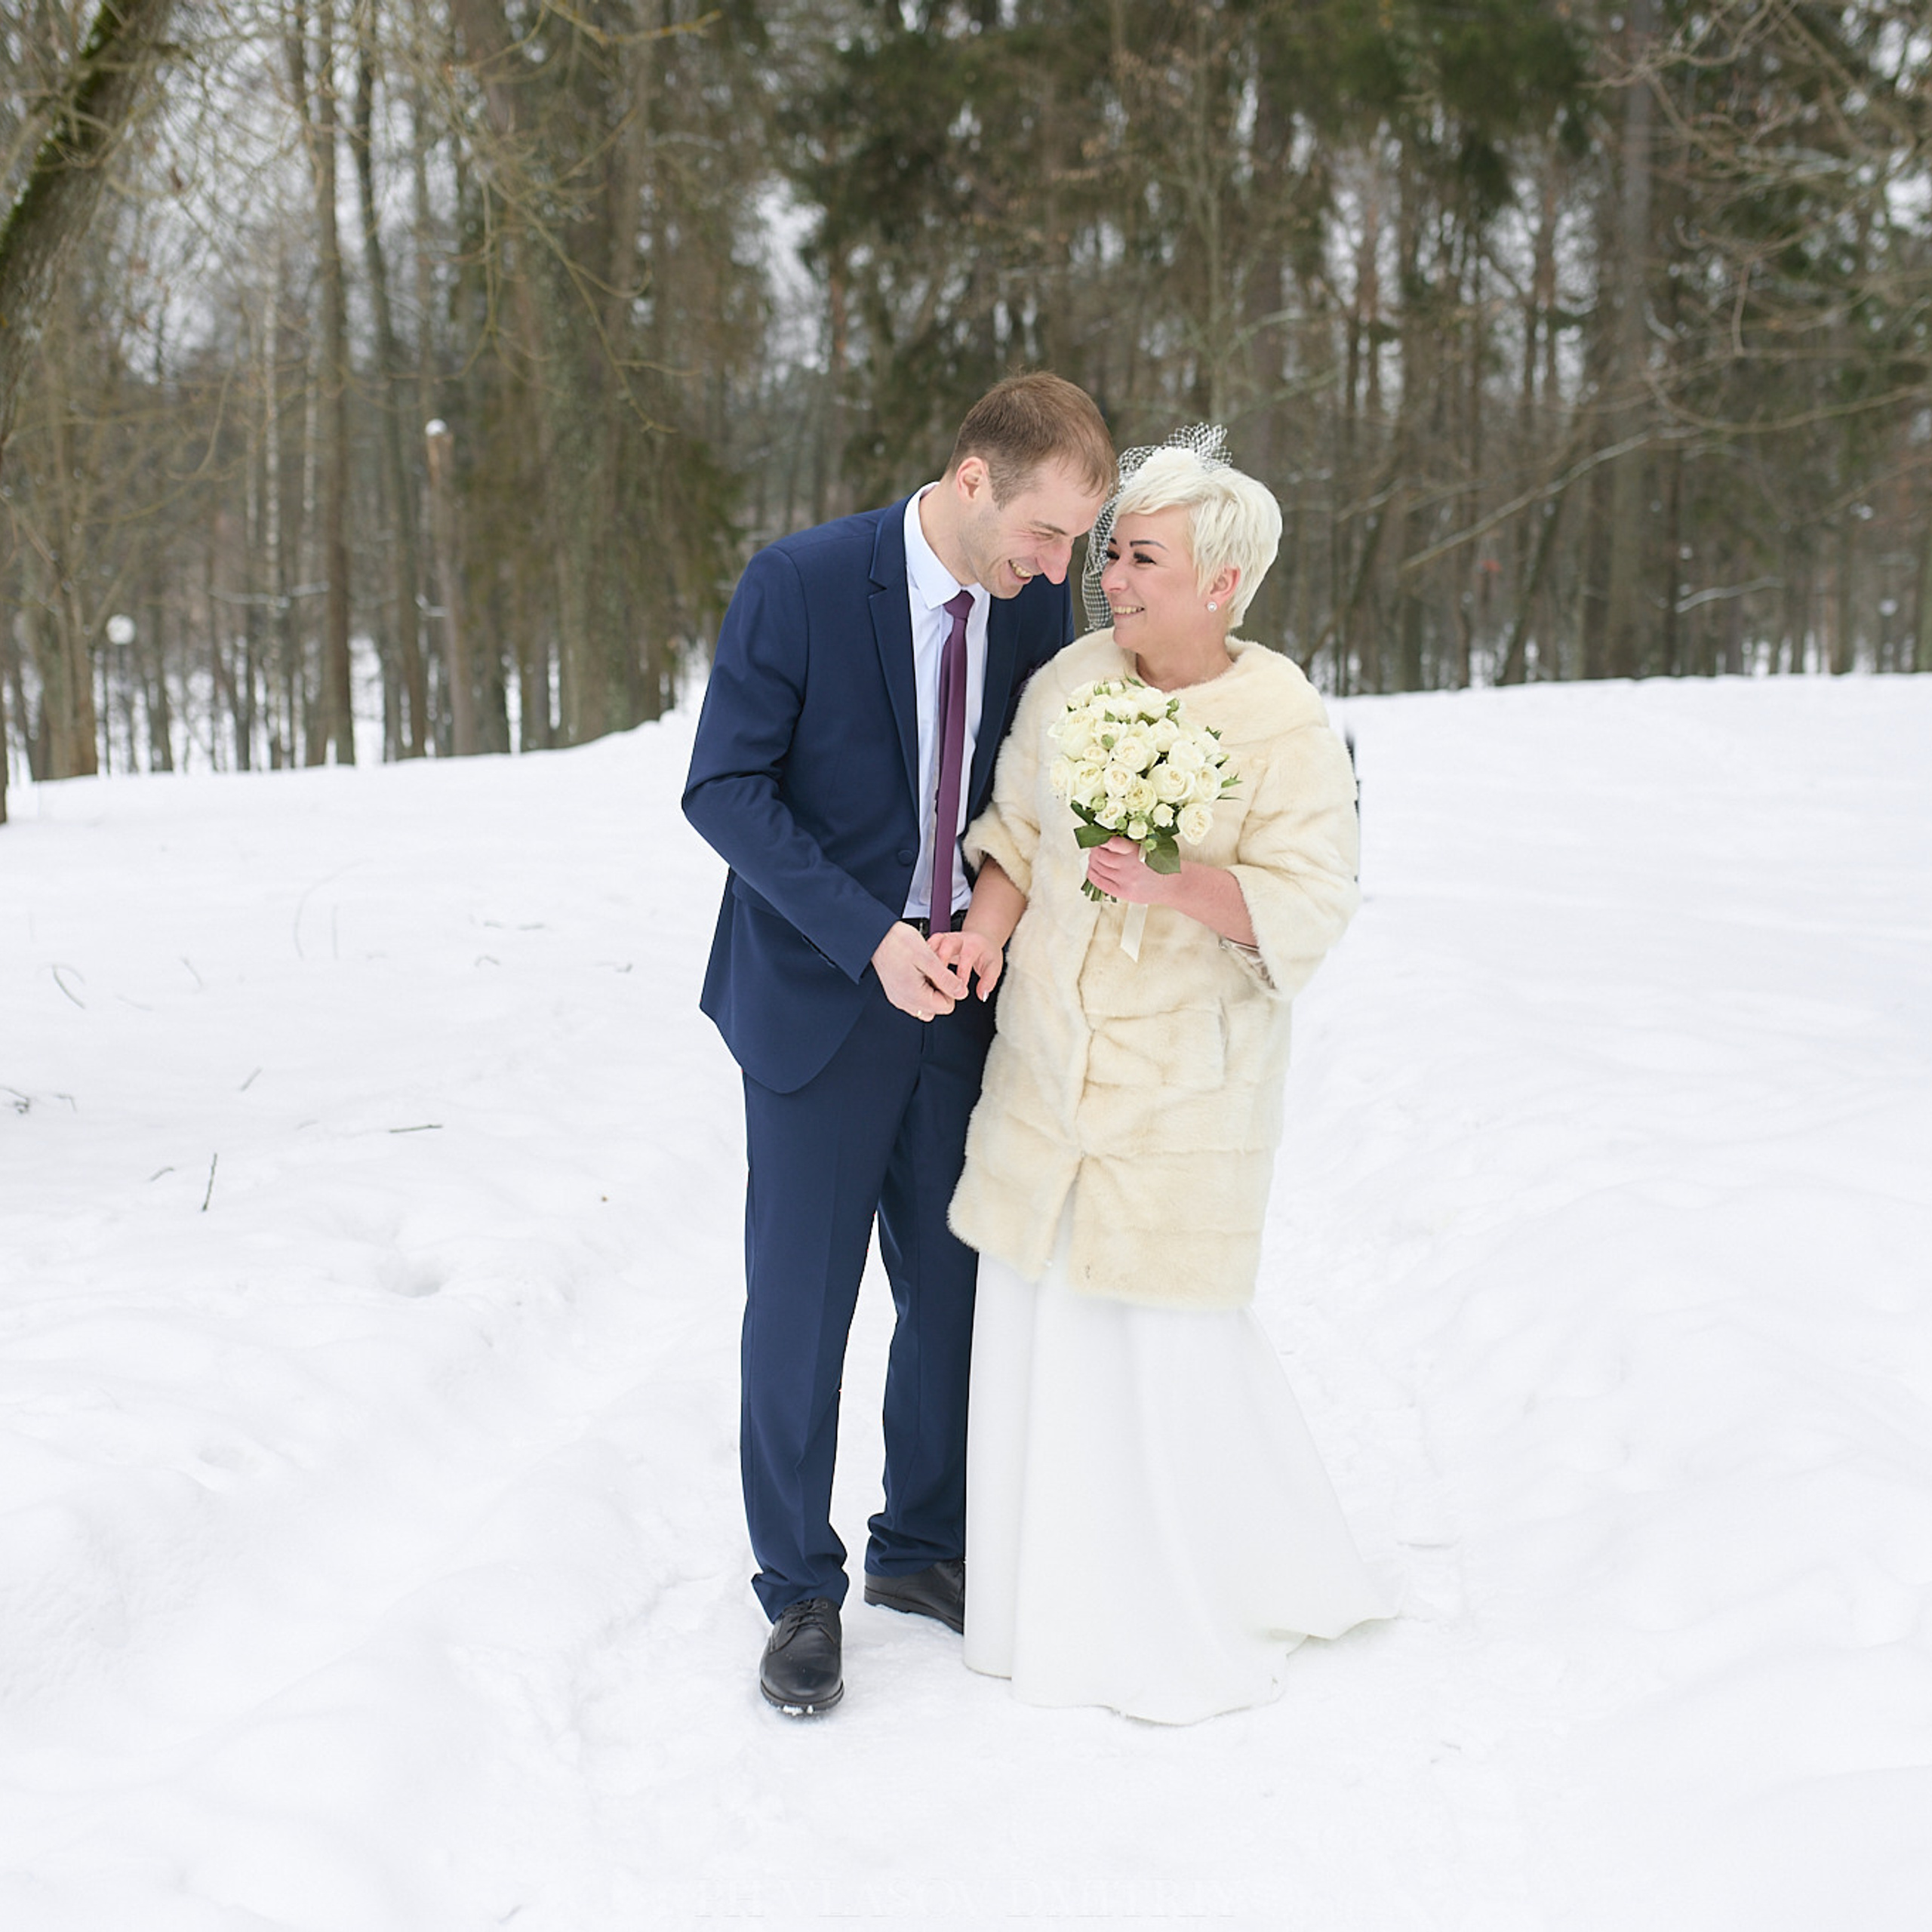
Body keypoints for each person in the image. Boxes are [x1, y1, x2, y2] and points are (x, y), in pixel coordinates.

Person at [937, 434, 1390, 1723]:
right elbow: (1018, 832)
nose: (1109, 580)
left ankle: (1174, 1598)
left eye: (1140, 557)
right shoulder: (1074, 678)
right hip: (1047, 1072)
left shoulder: (1282, 717)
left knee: (1154, 1335)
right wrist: (983, 925)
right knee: (1043, 1325)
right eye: (1111, 552)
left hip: (1184, 1094)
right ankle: (1039, 1602)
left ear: (1222, 583)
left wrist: (1179, 879)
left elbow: (1313, 902)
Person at [682, 374, 1114, 1716]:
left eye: (1077, 547)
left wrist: (987, 925)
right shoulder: (802, 582)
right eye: (1048, 535)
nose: (1061, 570)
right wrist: (870, 937)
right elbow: (725, 790)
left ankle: (922, 1549)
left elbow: (1026, 792)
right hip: (820, 998)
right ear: (974, 477)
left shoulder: (1035, 606)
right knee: (803, 1313)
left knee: (955, 1295)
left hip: (969, 1001)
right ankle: (798, 1588)